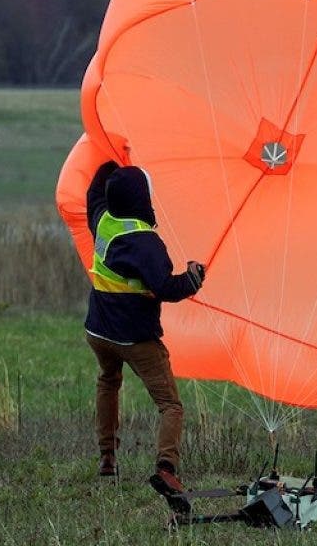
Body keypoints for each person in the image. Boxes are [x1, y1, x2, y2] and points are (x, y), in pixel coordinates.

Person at [84, 160, 206, 514]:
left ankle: (107, 458)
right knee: (171, 406)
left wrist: (109, 158)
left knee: (108, 381)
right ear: (143, 197)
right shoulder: (144, 241)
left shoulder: (103, 220)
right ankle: (166, 469)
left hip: (98, 331)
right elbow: (166, 287)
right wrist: (194, 277)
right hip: (135, 337)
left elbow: (94, 191)